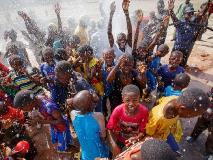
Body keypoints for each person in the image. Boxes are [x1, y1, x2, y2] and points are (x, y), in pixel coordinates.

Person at [146, 88, 210, 152]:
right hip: (156, 137)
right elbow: (148, 133)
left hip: (166, 131)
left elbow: (159, 101)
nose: (191, 117)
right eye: (193, 115)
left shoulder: (176, 98)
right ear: (182, 109)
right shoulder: (159, 118)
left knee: (175, 148)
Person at [107, 84, 149, 157]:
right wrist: (113, 145)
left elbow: (143, 131)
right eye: (127, 100)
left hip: (135, 140)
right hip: (120, 139)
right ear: (122, 99)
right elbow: (109, 128)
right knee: (117, 156)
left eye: (135, 100)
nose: (131, 104)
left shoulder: (144, 111)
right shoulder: (118, 110)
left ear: (139, 98)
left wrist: (137, 138)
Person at [168, 0, 210, 67]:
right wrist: (171, 10)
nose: (191, 15)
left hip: (187, 48)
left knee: (182, 65)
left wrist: (209, 2)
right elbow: (173, 17)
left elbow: (202, 13)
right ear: (184, 14)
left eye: (192, 13)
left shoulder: (195, 23)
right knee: (171, 63)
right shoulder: (179, 23)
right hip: (177, 47)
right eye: (189, 13)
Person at [70, 90, 109, 160]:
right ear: (92, 104)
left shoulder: (72, 114)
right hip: (98, 152)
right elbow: (103, 136)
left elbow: (79, 103)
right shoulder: (98, 116)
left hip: (85, 153)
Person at [101, 48, 116, 117]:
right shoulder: (100, 66)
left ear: (114, 56)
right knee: (103, 108)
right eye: (106, 57)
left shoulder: (117, 66)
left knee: (114, 106)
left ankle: (112, 119)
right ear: (103, 57)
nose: (108, 59)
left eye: (110, 57)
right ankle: (104, 119)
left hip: (113, 90)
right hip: (103, 90)